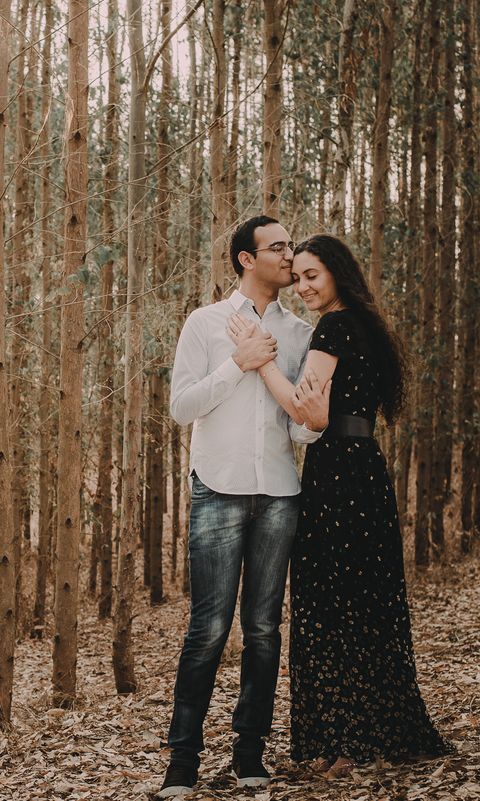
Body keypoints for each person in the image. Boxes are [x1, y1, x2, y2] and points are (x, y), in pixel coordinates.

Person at [226, 233, 451, 778]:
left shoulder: (335, 325)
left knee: (330, 604)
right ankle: (368, 735)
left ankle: (342, 745)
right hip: (363, 470)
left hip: (338, 476)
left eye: (312, 276)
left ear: (337, 273)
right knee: (364, 602)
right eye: (296, 276)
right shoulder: (366, 323)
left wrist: (258, 360)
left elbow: (308, 414)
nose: (302, 286)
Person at [159, 216, 329, 797]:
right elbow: (182, 407)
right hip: (218, 486)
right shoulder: (205, 325)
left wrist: (310, 422)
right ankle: (182, 761)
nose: (289, 256)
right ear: (244, 260)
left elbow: (301, 425)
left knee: (263, 628)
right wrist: (240, 360)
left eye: (290, 246)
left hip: (280, 492)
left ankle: (249, 754)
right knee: (208, 627)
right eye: (277, 248)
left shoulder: (303, 333)